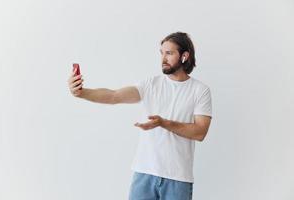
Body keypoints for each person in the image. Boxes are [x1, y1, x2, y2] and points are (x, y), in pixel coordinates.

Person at [67, 32, 212, 200]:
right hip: (144, 174)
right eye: (162, 53)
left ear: (184, 56)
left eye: (169, 53)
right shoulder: (151, 84)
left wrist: (163, 123)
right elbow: (114, 96)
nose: (163, 58)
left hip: (178, 179)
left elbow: (200, 132)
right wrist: (82, 93)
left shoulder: (200, 90)